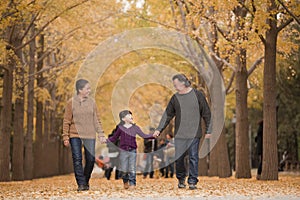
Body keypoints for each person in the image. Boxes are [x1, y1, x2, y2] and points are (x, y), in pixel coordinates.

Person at [153, 74, 211, 190]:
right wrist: (159, 129)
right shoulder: (175, 98)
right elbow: (167, 115)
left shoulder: (198, 95)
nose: (174, 86)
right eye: (173, 85)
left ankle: (192, 181)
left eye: (176, 84)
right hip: (180, 134)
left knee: (193, 157)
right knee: (179, 158)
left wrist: (209, 130)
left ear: (183, 82)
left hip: (194, 133)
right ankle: (181, 179)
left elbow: (206, 113)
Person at [62, 79, 106, 191]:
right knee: (77, 158)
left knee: (90, 159)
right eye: (87, 88)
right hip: (74, 134)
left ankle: (85, 180)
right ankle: (81, 184)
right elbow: (66, 120)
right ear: (80, 90)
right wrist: (65, 136)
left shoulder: (92, 103)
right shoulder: (71, 103)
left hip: (89, 134)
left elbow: (96, 119)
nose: (89, 90)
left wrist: (101, 133)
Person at [106, 110, 155, 190]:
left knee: (132, 167)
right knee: (124, 168)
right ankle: (125, 181)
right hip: (123, 151)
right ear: (123, 119)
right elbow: (114, 137)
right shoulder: (120, 128)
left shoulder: (135, 128)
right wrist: (106, 140)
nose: (131, 116)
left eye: (131, 115)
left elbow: (144, 135)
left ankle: (132, 183)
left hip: (133, 150)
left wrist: (153, 136)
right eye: (128, 115)